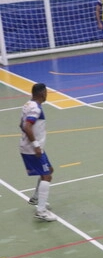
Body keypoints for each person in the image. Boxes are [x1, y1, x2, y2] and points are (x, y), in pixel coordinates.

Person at [19, 83, 56, 221]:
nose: (46, 95)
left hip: (32, 147)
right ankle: (41, 212)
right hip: (33, 149)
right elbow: (27, 126)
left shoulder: (27, 105)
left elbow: (21, 125)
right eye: (46, 92)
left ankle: (36, 198)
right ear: (41, 93)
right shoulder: (36, 109)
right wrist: (35, 145)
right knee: (46, 176)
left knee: (49, 170)